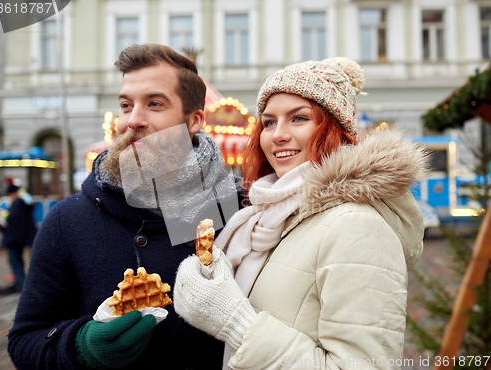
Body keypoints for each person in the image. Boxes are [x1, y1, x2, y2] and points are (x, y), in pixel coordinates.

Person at [174, 57, 429, 369]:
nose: (277, 134)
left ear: (334, 129)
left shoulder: (357, 226)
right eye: (269, 122)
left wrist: (236, 323)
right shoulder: (268, 218)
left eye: (298, 119)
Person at [8, 44, 242, 370]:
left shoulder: (235, 210)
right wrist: (81, 344)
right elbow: (25, 341)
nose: (133, 120)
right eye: (125, 105)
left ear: (194, 120)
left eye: (154, 104)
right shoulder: (68, 219)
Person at [0, 179, 37, 296]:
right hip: (20, 239)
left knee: (14, 260)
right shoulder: (23, 203)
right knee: (18, 260)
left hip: (15, 239)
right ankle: (21, 282)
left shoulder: (18, 204)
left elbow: (13, 222)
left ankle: (20, 283)